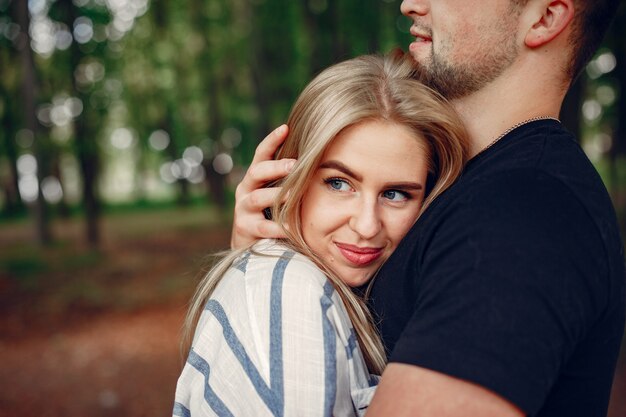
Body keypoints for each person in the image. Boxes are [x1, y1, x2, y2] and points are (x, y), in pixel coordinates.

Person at [230, 1, 626, 416]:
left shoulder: (525, 214)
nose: (410, 3)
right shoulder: (458, 185)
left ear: (544, 17)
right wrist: (260, 275)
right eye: (339, 183)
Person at [173, 53, 469, 416]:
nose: (366, 226)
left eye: (395, 194)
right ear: (289, 178)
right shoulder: (290, 292)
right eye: (339, 183)